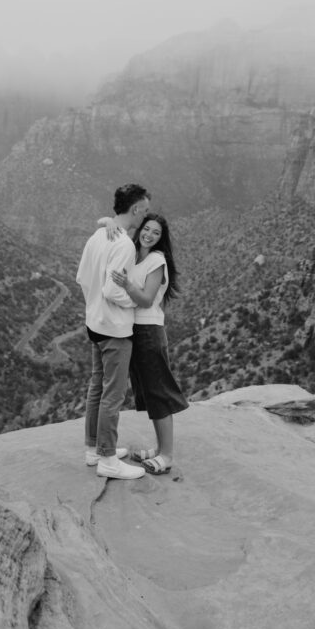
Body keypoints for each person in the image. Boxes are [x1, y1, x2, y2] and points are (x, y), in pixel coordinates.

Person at [76, 183, 151, 480]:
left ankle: (93, 449)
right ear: (134, 209)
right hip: (115, 331)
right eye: (144, 210)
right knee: (113, 394)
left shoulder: (98, 236)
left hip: (94, 324)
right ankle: (108, 459)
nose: (145, 216)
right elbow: (112, 290)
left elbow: (83, 278)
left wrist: (95, 306)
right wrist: (134, 300)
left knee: (97, 387)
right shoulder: (123, 245)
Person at [109, 213, 188, 475]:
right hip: (135, 331)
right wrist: (109, 223)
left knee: (159, 393)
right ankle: (159, 448)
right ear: (140, 229)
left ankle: (166, 455)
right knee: (149, 394)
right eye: (147, 229)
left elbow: (145, 299)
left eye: (156, 232)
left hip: (149, 332)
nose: (150, 235)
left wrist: (128, 285)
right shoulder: (134, 255)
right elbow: (113, 227)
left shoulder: (157, 260)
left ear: (161, 238)